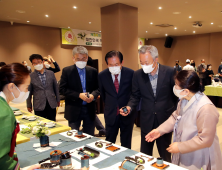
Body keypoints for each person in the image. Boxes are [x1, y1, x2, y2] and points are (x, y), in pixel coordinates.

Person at [146, 70, 222, 170]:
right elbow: (175, 117)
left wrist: (180, 147)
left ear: (186, 90)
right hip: (186, 148)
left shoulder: (206, 108)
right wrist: (159, 130)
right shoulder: (184, 99)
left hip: (200, 153)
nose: (174, 87)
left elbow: (205, 139)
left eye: (176, 85)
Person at [120, 45, 178, 162]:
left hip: (165, 119)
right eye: (141, 62)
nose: (144, 65)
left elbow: (176, 93)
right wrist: (129, 106)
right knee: (145, 155)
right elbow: (135, 95)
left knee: (165, 154)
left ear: (156, 59)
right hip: (147, 119)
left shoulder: (170, 72)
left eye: (146, 62)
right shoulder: (138, 74)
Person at [0, 63, 40, 170]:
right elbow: (1, 158)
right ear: (11, 86)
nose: (27, 92)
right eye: (26, 87)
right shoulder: (4, 112)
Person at [98, 51, 136, 149]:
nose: (113, 67)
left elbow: (134, 93)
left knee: (126, 144)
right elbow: (103, 94)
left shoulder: (131, 73)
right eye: (110, 65)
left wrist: (129, 107)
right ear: (107, 64)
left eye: (116, 64)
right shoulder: (102, 75)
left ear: (122, 63)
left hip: (127, 114)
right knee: (109, 142)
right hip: (111, 114)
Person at [59, 46, 99, 136]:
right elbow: (62, 89)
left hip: (89, 109)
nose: (81, 61)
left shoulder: (93, 71)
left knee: (90, 136)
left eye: (83, 58)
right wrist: (78, 95)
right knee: (74, 137)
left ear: (87, 58)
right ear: (73, 58)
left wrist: (93, 95)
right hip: (73, 109)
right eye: (78, 59)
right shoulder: (67, 71)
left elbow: (98, 88)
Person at [27, 54, 60, 121]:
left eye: (39, 62)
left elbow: (55, 87)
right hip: (38, 103)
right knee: (40, 123)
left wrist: (58, 99)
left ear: (42, 62)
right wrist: (29, 104)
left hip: (51, 102)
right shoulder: (31, 76)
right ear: (32, 64)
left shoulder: (50, 73)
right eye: (35, 63)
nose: (38, 64)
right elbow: (28, 91)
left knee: (52, 122)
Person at [87, 57, 106, 137]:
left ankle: (102, 130)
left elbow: (98, 86)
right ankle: (102, 130)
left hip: (91, 97)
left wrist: (95, 95)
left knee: (92, 114)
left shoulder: (93, 73)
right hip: (83, 97)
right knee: (90, 114)